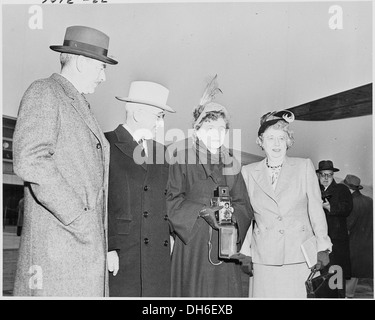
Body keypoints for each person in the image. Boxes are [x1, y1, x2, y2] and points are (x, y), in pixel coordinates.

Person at [12, 26, 118, 297]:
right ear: (82, 62)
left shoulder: (78, 103)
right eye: (101, 68)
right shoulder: (45, 92)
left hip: (74, 249)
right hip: (57, 251)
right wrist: (77, 216)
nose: (103, 78)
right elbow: (31, 159)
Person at [166, 76, 253, 297]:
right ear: (197, 129)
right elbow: (171, 201)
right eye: (210, 126)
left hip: (225, 246)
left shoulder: (232, 164)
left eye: (221, 128)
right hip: (192, 245)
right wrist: (203, 212)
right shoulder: (182, 159)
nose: (216, 133)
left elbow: (244, 205)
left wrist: (231, 217)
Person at [240, 110, 332, 298]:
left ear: (288, 141)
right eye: (270, 138)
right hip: (264, 256)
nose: (276, 144)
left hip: (298, 256)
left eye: (281, 138)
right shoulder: (248, 172)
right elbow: (248, 216)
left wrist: (323, 247)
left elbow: (316, 210)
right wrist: (245, 251)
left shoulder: (303, 166)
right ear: (261, 141)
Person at [105, 81, 175, 297]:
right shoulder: (106, 143)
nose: (160, 124)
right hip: (123, 253)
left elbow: (168, 197)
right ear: (137, 114)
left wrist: (170, 235)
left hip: (158, 254)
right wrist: (108, 248)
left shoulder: (162, 152)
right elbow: (100, 201)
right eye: (158, 116)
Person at [316, 160, 353, 298]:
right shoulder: (314, 190)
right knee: (320, 279)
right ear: (318, 175)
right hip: (319, 242)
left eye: (329, 175)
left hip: (336, 243)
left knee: (335, 278)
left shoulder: (342, 190)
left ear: (333, 176)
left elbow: (348, 208)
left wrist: (330, 208)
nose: (326, 178)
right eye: (323, 175)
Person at [342, 174, 373, 298]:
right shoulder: (370, 201)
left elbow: (347, 226)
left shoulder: (351, 203)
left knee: (349, 273)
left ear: (349, 189)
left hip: (352, 244)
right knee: (355, 273)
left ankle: (346, 295)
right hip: (366, 244)